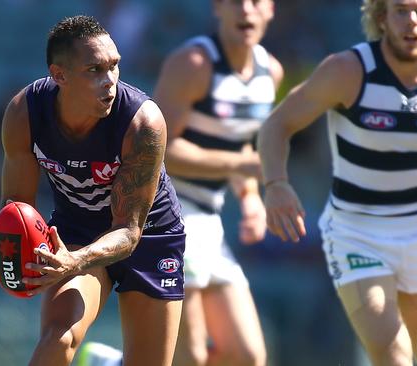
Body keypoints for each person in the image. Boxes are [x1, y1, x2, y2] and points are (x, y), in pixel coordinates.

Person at [257, 0, 417, 365]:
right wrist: (276, 184)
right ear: (382, 17)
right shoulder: (348, 70)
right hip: (357, 234)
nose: (412, 21)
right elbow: (277, 125)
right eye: (401, 10)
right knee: (394, 359)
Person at [78, 1, 282, 365]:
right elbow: (160, 149)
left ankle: (107, 363)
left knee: (247, 355)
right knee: (190, 357)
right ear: (218, 7)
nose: (246, 11)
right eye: (236, 2)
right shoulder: (193, 64)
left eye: (256, 2)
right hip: (169, 216)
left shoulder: (271, 73)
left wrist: (250, 197)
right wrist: (245, 165)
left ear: (272, 9)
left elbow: (241, 141)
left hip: (211, 219)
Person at [0, 15, 185, 366]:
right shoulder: (24, 114)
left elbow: (129, 231)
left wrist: (75, 261)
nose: (111, 82)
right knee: (59, 338)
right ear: (59, 75)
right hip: (74, 230)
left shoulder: (143, 123)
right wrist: (2, 229)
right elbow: (17, 204)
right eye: (95, 70)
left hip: (150, 236)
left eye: (114, 66)